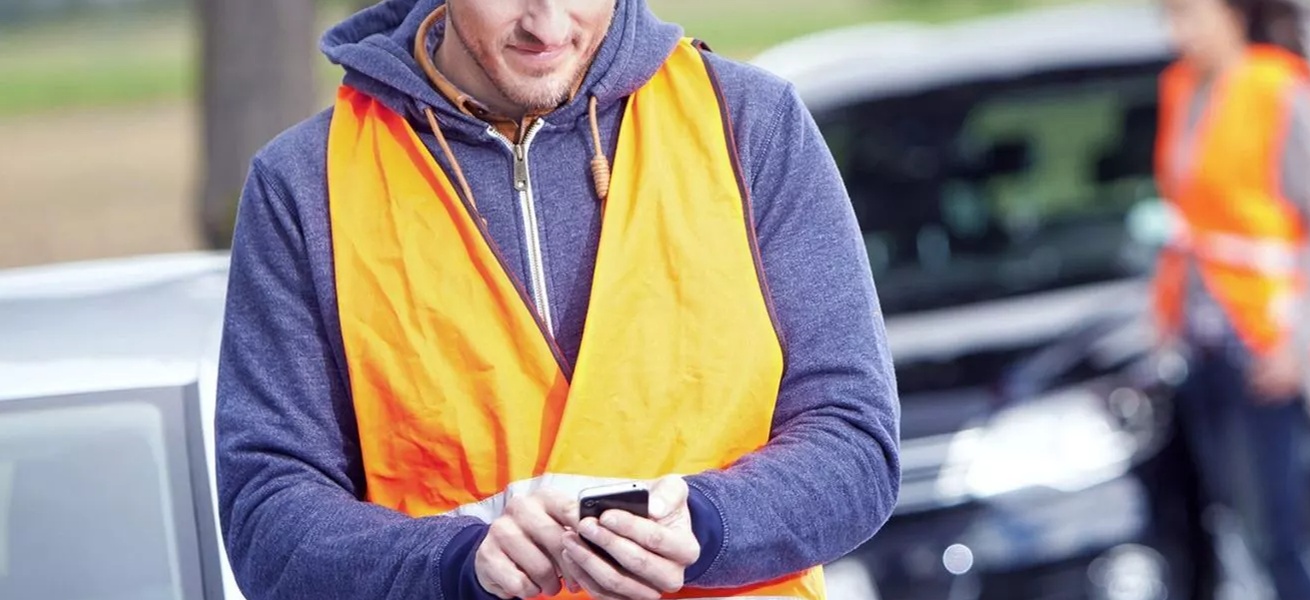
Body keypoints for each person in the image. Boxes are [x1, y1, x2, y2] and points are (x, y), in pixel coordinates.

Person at [212, 0, 901, 598]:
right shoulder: (305, 184)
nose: (547, 25)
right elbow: (268, 517)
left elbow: (855, 443)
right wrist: (458, 558)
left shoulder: (752, 125)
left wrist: (706, 523)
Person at [1150, 0, 1310, 599]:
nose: (1177, 31)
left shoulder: (1278, 88)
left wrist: (1304, 346)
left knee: (1280, 534)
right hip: (1200, 344)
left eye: (1188, 14)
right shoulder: (1180, 88)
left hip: (1265, 345)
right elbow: (1187, 222)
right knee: (1233, 531)